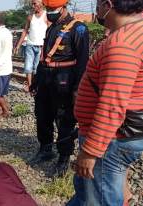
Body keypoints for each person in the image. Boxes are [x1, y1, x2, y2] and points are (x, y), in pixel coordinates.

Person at [68, 0, 143, 205]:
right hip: (118, 134)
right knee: (85, 195)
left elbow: (112, 104)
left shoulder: (123, 44)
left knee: (98, 200)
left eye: (98, 5)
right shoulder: (137, 34)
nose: (97, 11)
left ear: (108, 4)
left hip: (110, 140)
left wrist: (91, 151)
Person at [30, 0, 90, 176]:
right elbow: (45, 59)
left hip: (65, 81)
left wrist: (78, 89)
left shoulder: (79, 29)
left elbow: (83, 62)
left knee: (64, 121)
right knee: (42, 115)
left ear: (64, 8)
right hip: (46, 80)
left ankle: (64, 157)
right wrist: (36, 81)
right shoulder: (52, 28)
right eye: (47, 9)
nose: (49, 12)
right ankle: (45, 148)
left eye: (53, 9)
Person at [15, 0, 48, 92]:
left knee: (37, 67)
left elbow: (50, 31)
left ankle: (36, 84)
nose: (33, 6)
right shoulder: (30, 16)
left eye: (35, 3)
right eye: (32, 4)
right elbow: (25, 31)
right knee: (28, 67)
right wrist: (18, 45)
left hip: (41, 46)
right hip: (30, 44)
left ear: (41, 3)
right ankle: (30, 85)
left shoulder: (47, 16)